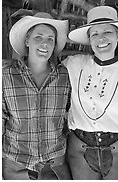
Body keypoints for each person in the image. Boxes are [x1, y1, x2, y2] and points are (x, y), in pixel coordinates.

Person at [63, 6, 118, 180]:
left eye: (107, 32)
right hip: (79, 149)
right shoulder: (72, 64)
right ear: (89, 39)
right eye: (94, 34)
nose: (101, 38)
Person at [2, 13, 72, 180]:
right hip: (16, 164)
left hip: (54, 165)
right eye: (38, 37)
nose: (44, 43)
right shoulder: (6, 76)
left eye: (50, 39)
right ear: (27, 41)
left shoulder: (66, 76)